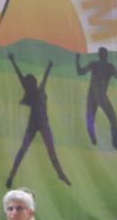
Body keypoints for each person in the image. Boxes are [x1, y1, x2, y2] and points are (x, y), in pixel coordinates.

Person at [5, 54, 70, 189]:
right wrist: (13, 61)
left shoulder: (39, 90)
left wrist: (49, 67)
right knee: (24, 150)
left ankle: (60, 174)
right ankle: (11, 175)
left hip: (42, 123)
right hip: (35, 124)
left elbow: (41, 78)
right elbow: (21, 77)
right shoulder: (34, 91)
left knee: (50, 151)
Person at [76, 47, 117, 155]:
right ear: (106, 55)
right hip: (99, 95)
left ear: (99, 55)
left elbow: (80, 72)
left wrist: (77, 60)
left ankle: (95, 138)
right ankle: (113, 144)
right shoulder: (108, 67)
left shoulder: (98, 65)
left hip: (94, 95)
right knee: (110, 119)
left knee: (91, 118)